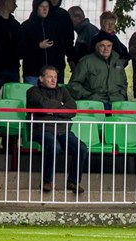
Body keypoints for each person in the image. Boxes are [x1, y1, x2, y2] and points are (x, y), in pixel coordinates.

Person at [26, 65, 87, 194]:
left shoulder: (63, 91)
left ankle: (73, 181)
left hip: (63, 131)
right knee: (54, 146)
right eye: (50, 77)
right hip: (43, 129)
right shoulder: (32, 91)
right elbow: (42, 105)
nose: (54, 80)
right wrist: (61, 106)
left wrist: (52, 111)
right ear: (41, 78)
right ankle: (47, 181)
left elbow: (73, 109)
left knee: (81, 147)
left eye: (55, 77)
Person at [68, 33, 128, 110]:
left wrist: (122, 95)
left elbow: (124, 83)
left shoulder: (118, 62)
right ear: (96, 46)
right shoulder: (86, 62)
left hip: (118, 103)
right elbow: (73, 84)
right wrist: (89, 96)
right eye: (102, 45)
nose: (106, 49)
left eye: (109, 46)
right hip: (94, 104)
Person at [21, 0, 68, 85]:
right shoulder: (26, 26)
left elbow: (62, 46)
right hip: (33, 73)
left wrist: (59, 66)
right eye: (42, 7)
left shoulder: (55, 26)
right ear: (36, 7)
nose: (45, 9)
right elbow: (21, 49)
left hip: (52, 73)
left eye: (47, 7)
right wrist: (38, 46)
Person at [0, 0, 21, 92]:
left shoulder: (15, 25)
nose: (16, 5)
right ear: (6, 2)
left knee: (13, 95)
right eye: (13, 2)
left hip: (12, 68)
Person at [67, 6, 98, 71]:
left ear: (78, 18)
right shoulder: (84, 30)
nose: (68, 22)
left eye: (69, 19)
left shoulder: (88, 31)